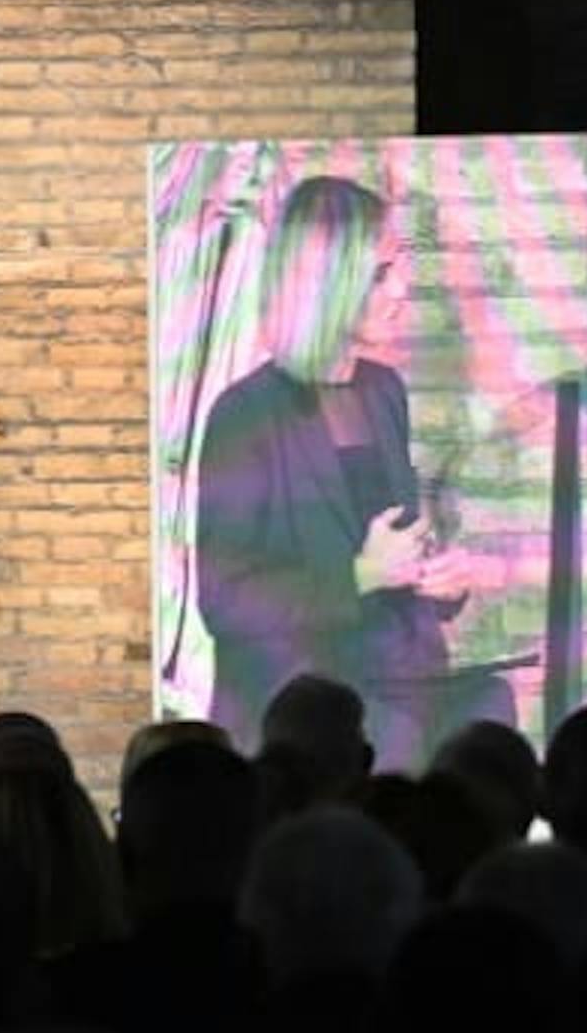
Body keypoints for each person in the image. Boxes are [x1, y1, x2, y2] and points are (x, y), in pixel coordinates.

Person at [189, 172, 468, 764]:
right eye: (382, 274)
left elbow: (397, 543)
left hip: (400, 689)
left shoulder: (384, 391)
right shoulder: (245, 415)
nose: (403, 290)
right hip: (303, 716)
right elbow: (225, 599)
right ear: (329, 285)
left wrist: (437, 577)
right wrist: (361, 576)